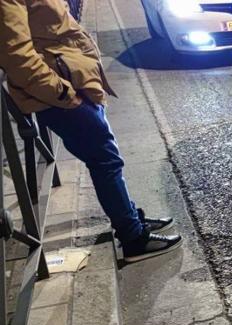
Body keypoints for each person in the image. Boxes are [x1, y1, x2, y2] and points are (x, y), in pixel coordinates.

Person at [0, 0, 182, 262]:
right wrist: (62, 92)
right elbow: (16, 54)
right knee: (105, 159)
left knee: (107, 157)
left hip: (73, 81)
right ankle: (133, 238)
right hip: (58, 94)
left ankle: (129, 218)